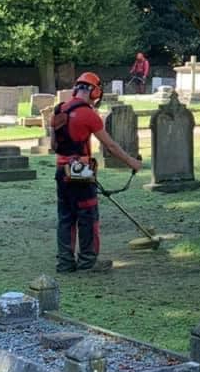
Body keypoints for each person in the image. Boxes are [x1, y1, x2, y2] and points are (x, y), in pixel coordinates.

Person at [50, 72, 143, 273]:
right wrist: (131, 162)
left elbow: (53, 145)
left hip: (61, 170)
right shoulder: (89, 115)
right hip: (82, 173)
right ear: (95, 91)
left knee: (66, 217)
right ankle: (88, 261)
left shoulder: (59, 110)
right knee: (88, 216)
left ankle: (65, 262)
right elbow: (110, 145)